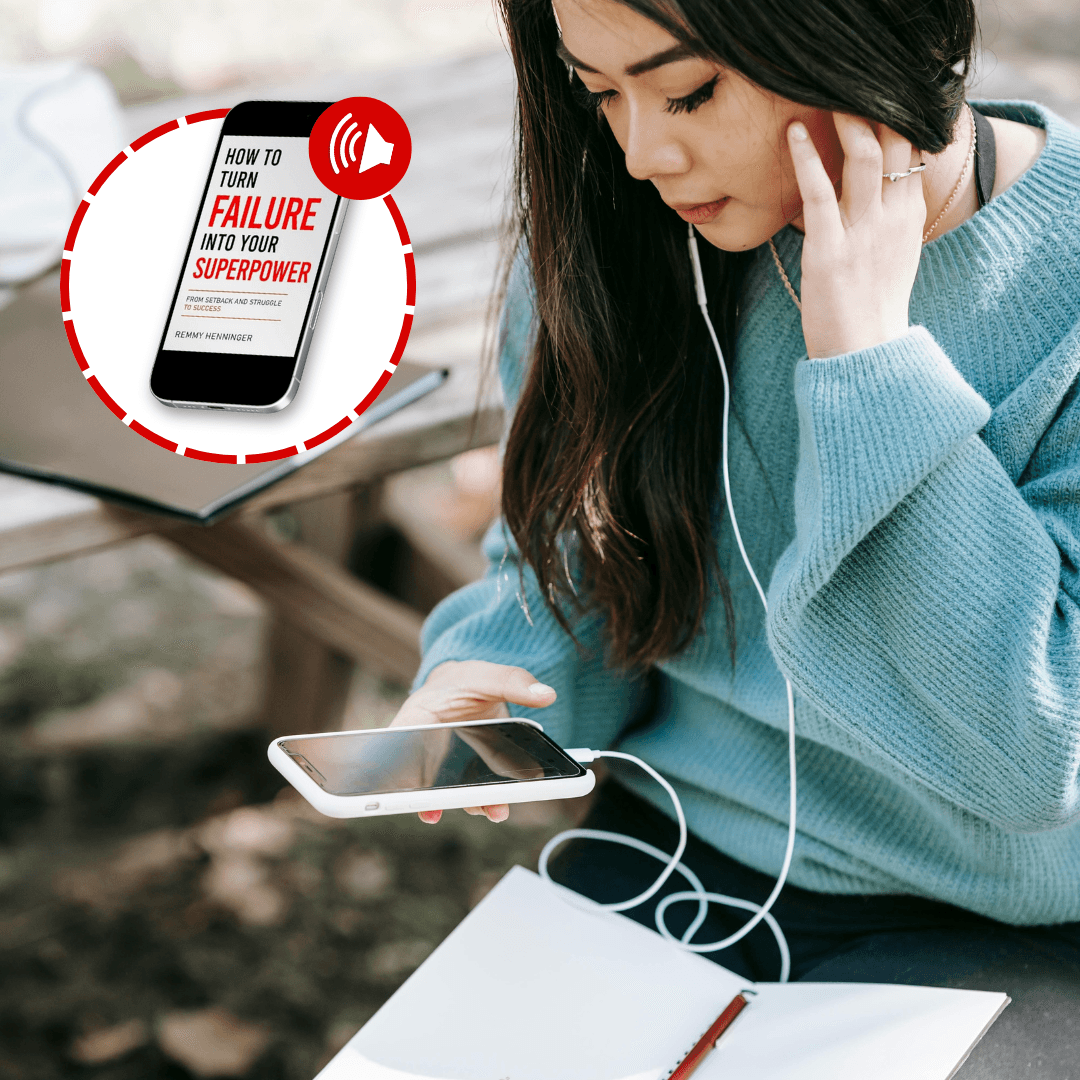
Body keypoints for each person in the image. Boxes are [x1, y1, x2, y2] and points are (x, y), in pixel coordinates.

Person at [390, 0, 1080, 1072]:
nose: (641, 153)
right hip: (681, 856)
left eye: (690, 90)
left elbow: (1038, 759)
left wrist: (872, 361)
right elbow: (574, 563)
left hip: (1005, 926)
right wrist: (498, 670)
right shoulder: (620, 244)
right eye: (600, 94)